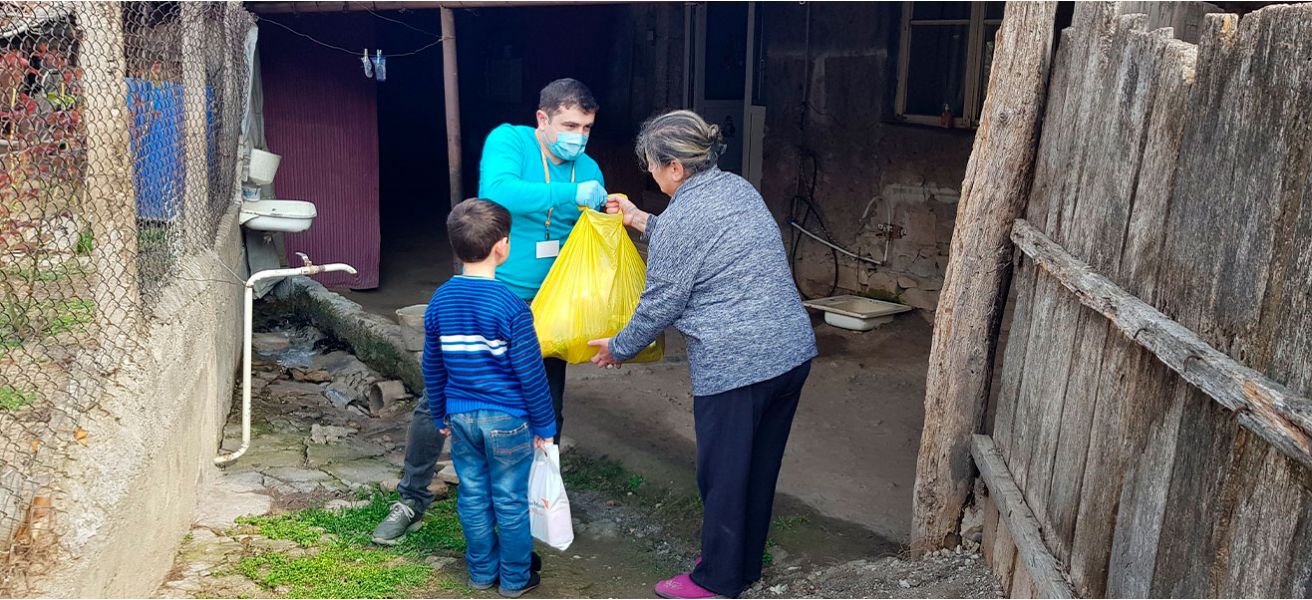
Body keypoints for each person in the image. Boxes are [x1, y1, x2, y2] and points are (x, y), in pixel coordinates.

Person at [590, 110, 817, 599]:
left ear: (674, 167)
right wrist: (639, 219)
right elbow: (697, 241)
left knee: (723, 475)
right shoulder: (736, 189)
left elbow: (662, 300)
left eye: (651, 164)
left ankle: (715, 581)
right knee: (757, 466)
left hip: (738, 363)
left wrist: (619, 348)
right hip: (791, 352)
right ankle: (742, 565)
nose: (650, 173)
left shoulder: (684, 218)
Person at [372, 78, 607, 544]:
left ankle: (531, 504)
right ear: (542, 119)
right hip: (488, 299)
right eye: (569, 125)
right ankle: (411, 498)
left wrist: (607, 210)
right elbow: (499, 194)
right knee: (436, 402)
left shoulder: (587, 166)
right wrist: (571, 195)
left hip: (549, 308)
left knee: (548, 409)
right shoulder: (510, 141)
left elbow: (586, 231)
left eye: (586, 127)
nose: (578, 136)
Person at [425, 198, 557, 598]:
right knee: (510, 501)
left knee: (473, 496)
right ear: (502, 246)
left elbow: (432, 366)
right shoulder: (512, 307)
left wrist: (439, 413)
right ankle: (515, 579)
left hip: (461, 418)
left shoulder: (441, 300)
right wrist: (546, 426)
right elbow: (531, 375)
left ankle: (481, 573)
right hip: (508, 421)